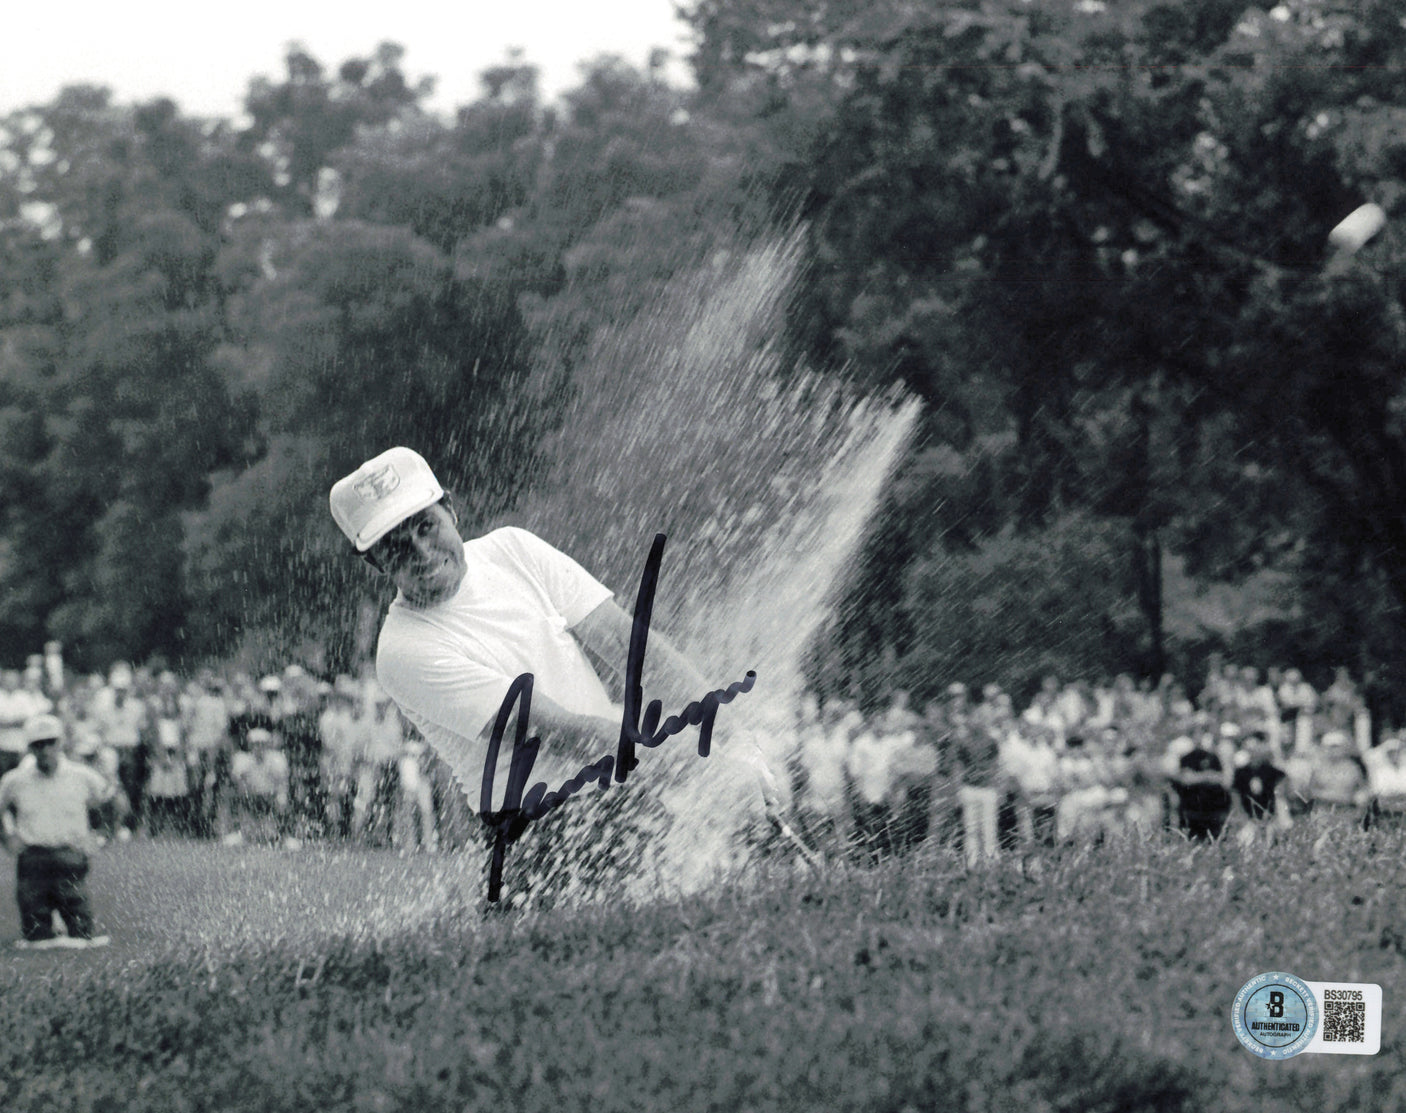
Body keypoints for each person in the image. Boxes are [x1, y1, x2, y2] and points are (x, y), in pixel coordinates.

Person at [329, 447, 782, 887]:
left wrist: (735, 739)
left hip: (623, 790)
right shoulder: (403, 651)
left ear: (451, 509)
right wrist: (701, 765)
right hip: (545, 828)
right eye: (395, 547)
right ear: (374, 563)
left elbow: (629, 645)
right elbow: (560, 731)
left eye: (426, 526)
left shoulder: (513, 549)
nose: (421, 552)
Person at [0, 714, 113, 948]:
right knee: (36, 935)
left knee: (81, 931)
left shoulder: (82, 776)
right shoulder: (16, 780)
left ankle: (74, 927)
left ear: (60, 743)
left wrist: (101, 835)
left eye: (50, 743)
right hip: (33, 858)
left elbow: (110, 803)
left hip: (70, 856)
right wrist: (7, 837)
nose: (45, 750)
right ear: (30, 748)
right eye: (38, 745)